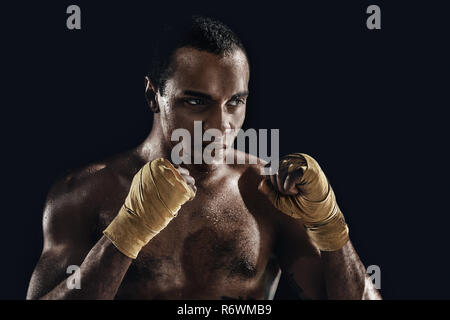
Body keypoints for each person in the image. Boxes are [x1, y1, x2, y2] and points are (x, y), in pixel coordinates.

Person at [26, 15, 381, 300]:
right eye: (197, 101)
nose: (220, 125)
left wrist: (331, 225)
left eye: (235, 103)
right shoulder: (86, 193)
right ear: (154, 96)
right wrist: (126, 233)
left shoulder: (267, 192)